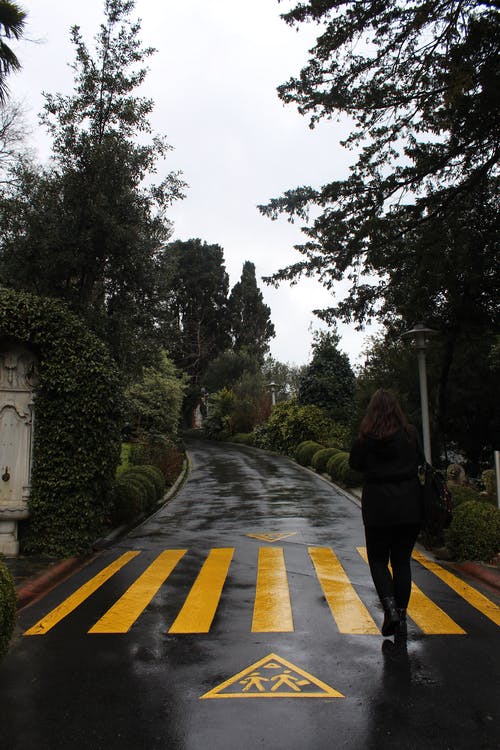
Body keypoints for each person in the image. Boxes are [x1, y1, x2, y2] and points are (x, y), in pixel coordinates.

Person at [349, 389, 425, 639]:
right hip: (409, 506)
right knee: (402, 561)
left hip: (378, 507)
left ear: (372, 411)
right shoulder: (410, 434)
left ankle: (390, 608)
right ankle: (401, 615)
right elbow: (420, 461)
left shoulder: (365, 439)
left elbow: (354, 464)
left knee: (379, 560)